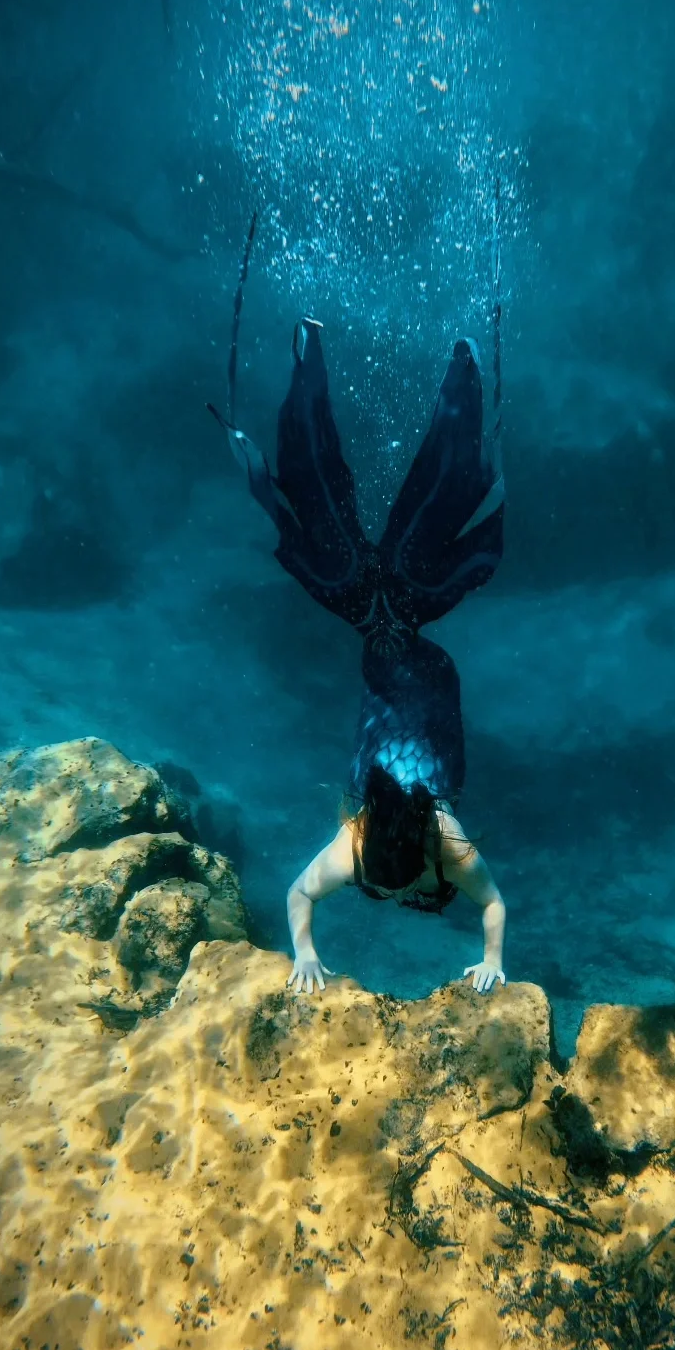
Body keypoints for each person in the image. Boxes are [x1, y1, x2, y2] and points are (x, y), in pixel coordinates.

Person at [229, 318, 507, 994]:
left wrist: (305, 950)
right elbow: (491, 904)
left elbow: (302, 894)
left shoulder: (378, 844)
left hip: (394, 644)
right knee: (403, 541)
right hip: (406, 650)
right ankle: (460, 378)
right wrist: (303, 953)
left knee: (342, 540)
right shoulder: (429, 842)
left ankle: (344, 372)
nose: (399, 892)